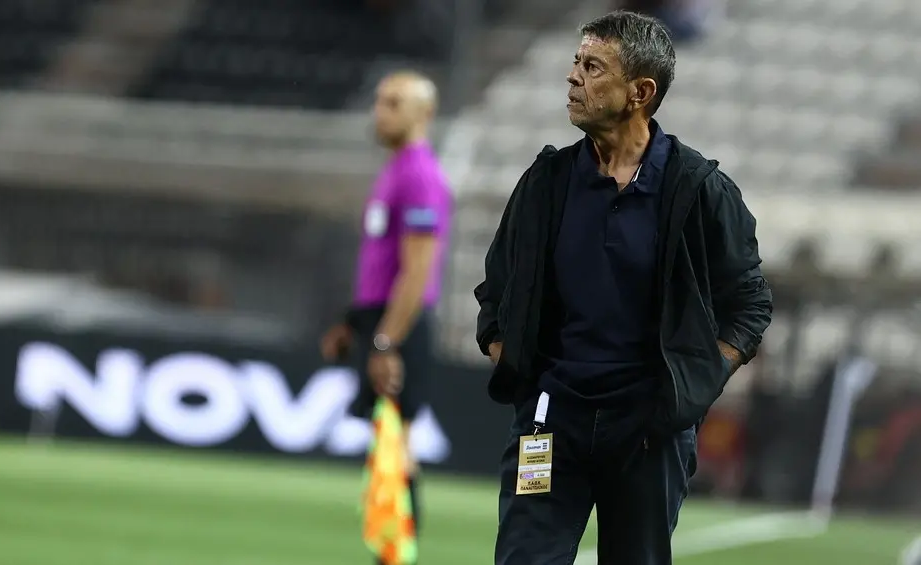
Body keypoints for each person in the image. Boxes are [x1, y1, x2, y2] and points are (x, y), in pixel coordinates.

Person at [474, 11, 772, 565]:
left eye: (593, 67)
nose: (573, 77)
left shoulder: (699, 190)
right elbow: (495, 290)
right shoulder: (546, 182)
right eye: (576, 63)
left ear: (641, 92)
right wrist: (516, 366)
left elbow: (750, 306)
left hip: (647, 434)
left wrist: (693, 386)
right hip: (548, 426)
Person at [320, 70, 451, 562]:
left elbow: (418, 271)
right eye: (379, 101)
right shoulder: (396, 170)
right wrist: (353, 323)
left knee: (398, 448)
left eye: (394, 103)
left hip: (400, 327)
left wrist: (386, 341)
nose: (381, 111)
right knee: (387, 449)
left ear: (425, 113)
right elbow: (382, 266)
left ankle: (397, 558)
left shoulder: (420, 176)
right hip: (379, 322)